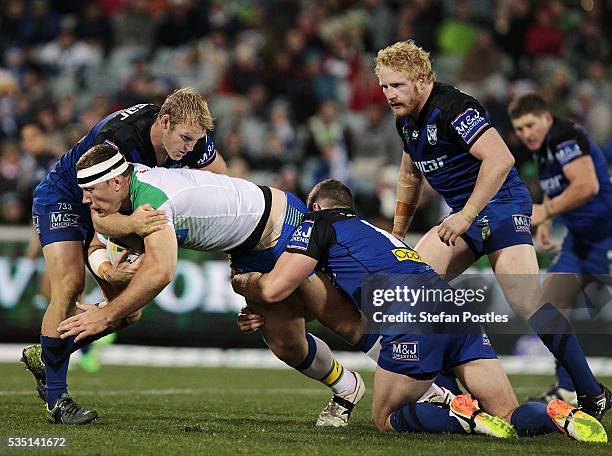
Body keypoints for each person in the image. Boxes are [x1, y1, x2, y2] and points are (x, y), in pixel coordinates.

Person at [230, 179, 606, 442]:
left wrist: (246, 285)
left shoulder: (314, 224)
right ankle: (561, 415)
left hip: (412, 316)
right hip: (455, 309)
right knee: (508, 415)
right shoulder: (371, 232)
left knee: (385, 419)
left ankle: (461, 418)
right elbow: (322, 299)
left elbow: (282, 284)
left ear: (315, 207)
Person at [374, 40, 610, 421]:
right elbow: (408, 174)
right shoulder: (406, 119)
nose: (389, 95)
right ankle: (450, 395)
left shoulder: (455, 107)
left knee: (528, 303)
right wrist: (399, 235)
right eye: (384, 87)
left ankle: (592, 391)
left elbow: (501, 158)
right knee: (411, 287)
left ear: (422, 80)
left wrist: (466, 215)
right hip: (465, 215)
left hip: (501, 208)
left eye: (396, 86)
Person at [56, 144, 367, 428]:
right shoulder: (120, 197)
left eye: (90, 190)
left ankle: (409, 369)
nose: (85, 199)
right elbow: (98, 236)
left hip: (280, 225)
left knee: (336, 317)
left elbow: (161, 273)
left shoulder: (153, 201)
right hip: (245, 249)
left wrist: (107, 314)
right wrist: (109, 271)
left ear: (116, 182)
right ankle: (347, 386)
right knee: (285, 342)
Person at [21, 87, 228, 424]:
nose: (189, 148)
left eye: (196, 141)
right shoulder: (117, 140)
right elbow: (98, 208)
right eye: (185, 139)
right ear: (164, 121)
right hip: (69, 198)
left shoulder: (192, 139)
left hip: (116, 209)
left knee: (129, 313)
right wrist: (132, 226)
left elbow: (221, 177)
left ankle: (48, 354)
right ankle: (58, 401)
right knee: (70, 284)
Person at [508, 93, 612, 404]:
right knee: (549, 306)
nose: (526, 133)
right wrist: (543, 223)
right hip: (580, 242)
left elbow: (586, 185)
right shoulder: (542, 151)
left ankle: (577, 386)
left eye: (531, 125)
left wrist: (547, 211)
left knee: (581, 308)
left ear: (547, 119)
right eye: (520, 128)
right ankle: (571, 387)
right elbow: (556, 191)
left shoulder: (565, 137)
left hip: (604, 238)